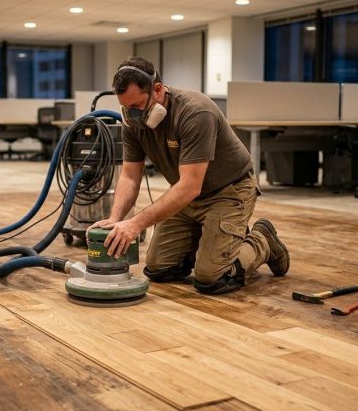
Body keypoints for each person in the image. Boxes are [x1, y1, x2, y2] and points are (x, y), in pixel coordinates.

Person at [87, 56, 290, 294]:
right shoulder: (132, 121)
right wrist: (116, 218)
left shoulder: (195, 112)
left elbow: (190, 187)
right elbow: (130, 176)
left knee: (211, 278)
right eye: (127, 108)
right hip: (186, 196)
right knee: (159, 269)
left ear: (158, 90)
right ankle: (217, 241)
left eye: (138, 107)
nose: (133, 116)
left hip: (227, 191)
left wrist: (135, 224)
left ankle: (262, 240)